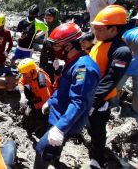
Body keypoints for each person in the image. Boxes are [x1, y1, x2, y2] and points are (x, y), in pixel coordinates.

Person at [35, 23, 100, 168]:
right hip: (60, 113)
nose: (54, 50)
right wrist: (51, 100)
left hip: (68, 119)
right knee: (54, 146)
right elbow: (63, 86)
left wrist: (60, 128)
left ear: (68, 46)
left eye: (57, 46)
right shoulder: (72, 62)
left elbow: (79, 102)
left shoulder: (84, 68)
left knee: (42, 148)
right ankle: (54, 158)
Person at [88, 5, 132, 168]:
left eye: (100, 29)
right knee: (91, 126)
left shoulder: (121, 51)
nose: (96, 33)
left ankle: (98, 158)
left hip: (99, 99)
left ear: (113, 30)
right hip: (88, 93)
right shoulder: (101, 41)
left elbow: (109, 80)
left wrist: (93, 102)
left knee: (98, 129)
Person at [116, 7, 138, 116]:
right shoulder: (131, 33)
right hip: (124, 68)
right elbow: (120, 48)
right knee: (115, 88)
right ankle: (111, 107)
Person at [17, 58, 52, 136]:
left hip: (44, 100)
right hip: (35, 93)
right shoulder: (29, 73)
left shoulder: (41, 82)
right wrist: (22, 95)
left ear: (32, 71)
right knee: (17, 89)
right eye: (22, 74)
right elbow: (20, 82)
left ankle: (39, 127)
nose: (23, 76)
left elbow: (47, 100)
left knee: (37, 114)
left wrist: (32, 106)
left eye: (24, 74)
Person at [40, 7, 61, 82]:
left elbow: (60, 42)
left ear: (54, 17)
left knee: (52, 67)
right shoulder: (47, 24)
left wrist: (57, 57)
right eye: (46, 18)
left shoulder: (59, 27)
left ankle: (51, 82)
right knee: (42, 64)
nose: (47, 20)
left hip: (55, 48)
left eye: (49, 18)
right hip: (46, 45)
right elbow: (45, 32)